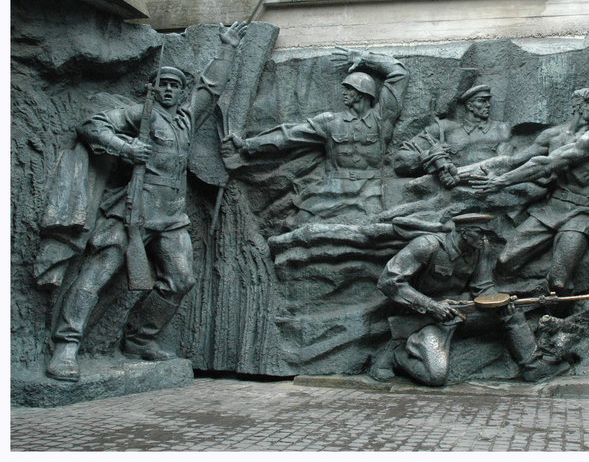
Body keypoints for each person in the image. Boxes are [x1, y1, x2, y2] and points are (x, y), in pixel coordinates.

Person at [47, 21, 248, 381]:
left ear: (181, 91)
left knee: (181, 279)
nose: (168, 89)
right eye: (163, 84)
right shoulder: (140, 114)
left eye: (174, 85)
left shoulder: (185, 120)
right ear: (152, 88)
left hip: (171, 218)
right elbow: (92, 126)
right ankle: (66, 346)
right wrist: (125, 147)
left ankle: (140, 339)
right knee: (96, 277)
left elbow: (210, 87)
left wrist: (228, 47)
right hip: (132, 212)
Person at [372, 213, 570, 386]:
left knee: (511, 312)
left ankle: (533, 367)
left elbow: (482, 287)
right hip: (425, 317)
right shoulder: (427, 246)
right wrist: (431, 306)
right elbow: (389, 281)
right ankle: (397, 354)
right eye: (480, 233)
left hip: (459, 312)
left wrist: (500, 302)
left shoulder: (480, 248)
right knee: (435, 376)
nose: (484, 238)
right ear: (464, 232)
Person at [223, 47, 408, 224]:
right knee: (297, 223)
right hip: (331, 190)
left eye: (349, 88)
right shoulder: (330, 122)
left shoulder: (381, 119)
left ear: (361, 93)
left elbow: (400, 73)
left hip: (369, 193)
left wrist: (364, 58)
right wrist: (247, 144)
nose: (344, 92)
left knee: (375, 228)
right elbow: (289, 135)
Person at [471, 88, 589, 291]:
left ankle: (551, 307)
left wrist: (502, 181)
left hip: (583, 212)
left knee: (558, 280)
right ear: (579, 106)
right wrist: (467, 172)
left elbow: (546, 164)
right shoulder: (552, 135)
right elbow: (515, 161)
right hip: (553, 206)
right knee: (504, 261)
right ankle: (516, 298)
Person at [392, 84, 513, 188]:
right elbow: (400, 159)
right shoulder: (444, 129)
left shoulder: (502, 129)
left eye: (488, 101)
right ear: (470, 106)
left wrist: (457, 176)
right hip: (450, 192)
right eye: (482, 101)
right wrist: (432, 157)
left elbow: (507, 164)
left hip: (490, 188)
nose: (488, 105)